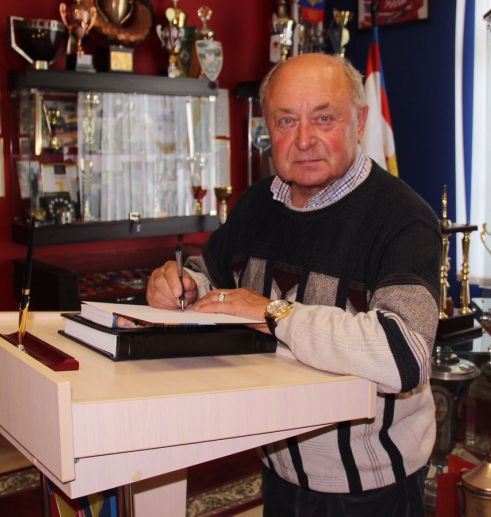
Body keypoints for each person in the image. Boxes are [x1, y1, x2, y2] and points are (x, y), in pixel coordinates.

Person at [144, 54, 441, 516]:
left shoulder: (403, 218)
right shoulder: (257, 204)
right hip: (277, 469)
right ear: (268, 127)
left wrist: (273, 312)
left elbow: (404, 355)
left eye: (324, 118)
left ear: (360, 121)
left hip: (370, 486)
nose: (304, 140)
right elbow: (212, 278)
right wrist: (181, 285)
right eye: (286, 121)